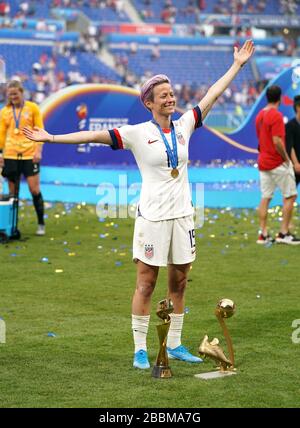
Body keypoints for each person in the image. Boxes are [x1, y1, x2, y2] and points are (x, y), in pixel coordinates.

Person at [23, 40, 255, 369]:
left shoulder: (185, 125)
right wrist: (52, 138)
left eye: (172, 93)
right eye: (164, 96)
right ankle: (140, 350)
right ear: (149, 102)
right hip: (152, 219)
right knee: (146, 283)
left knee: (179, 283)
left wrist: (237, 66)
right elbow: (93, 136)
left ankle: (174, 344)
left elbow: (212, 96)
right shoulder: (135, 133)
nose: (171, 98)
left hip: (183, 218)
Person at [255, 85, 300, 245]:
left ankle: (263, 233)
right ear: (279, 98)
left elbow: (261, 139)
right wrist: (287, 158)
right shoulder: (276, 116)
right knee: (290, 195)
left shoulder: (260, 115)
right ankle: (284, 232)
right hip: (276, 162)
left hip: (263, 162)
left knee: (265, 197)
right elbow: (277, 141)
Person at [0, 80, 46, 236]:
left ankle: (41, 223)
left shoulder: (32, 108)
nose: (12, 97)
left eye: (15, 94)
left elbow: (40, 130)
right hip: (10, 155)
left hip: (29, 155)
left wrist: (38, 150)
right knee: (14, 194)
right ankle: (13, 227)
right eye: (10, 94)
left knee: (34, 190)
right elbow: (1, 134)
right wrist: (0, 153)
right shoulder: (5, 111)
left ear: (22, 92)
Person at [286, 95, 300, 187]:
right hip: (295, 165)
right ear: (298, 108)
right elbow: (290, 146)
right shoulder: (290, 125)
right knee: (290, 195)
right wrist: (296, 163)